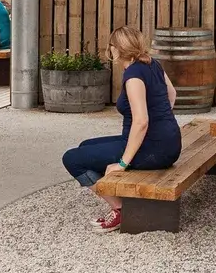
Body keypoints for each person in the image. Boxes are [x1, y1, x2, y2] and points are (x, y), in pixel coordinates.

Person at [61, 26, 182, 232]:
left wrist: (123, 163)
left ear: (115, 49)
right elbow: (172, 94)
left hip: (154, 150)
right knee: (86, 146)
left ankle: (121, 208)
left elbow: (141, 121)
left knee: (72, 158)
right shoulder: (153, 64)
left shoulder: (133, 75)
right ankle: (121, 193)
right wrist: (161, 122)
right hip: (168, 143)